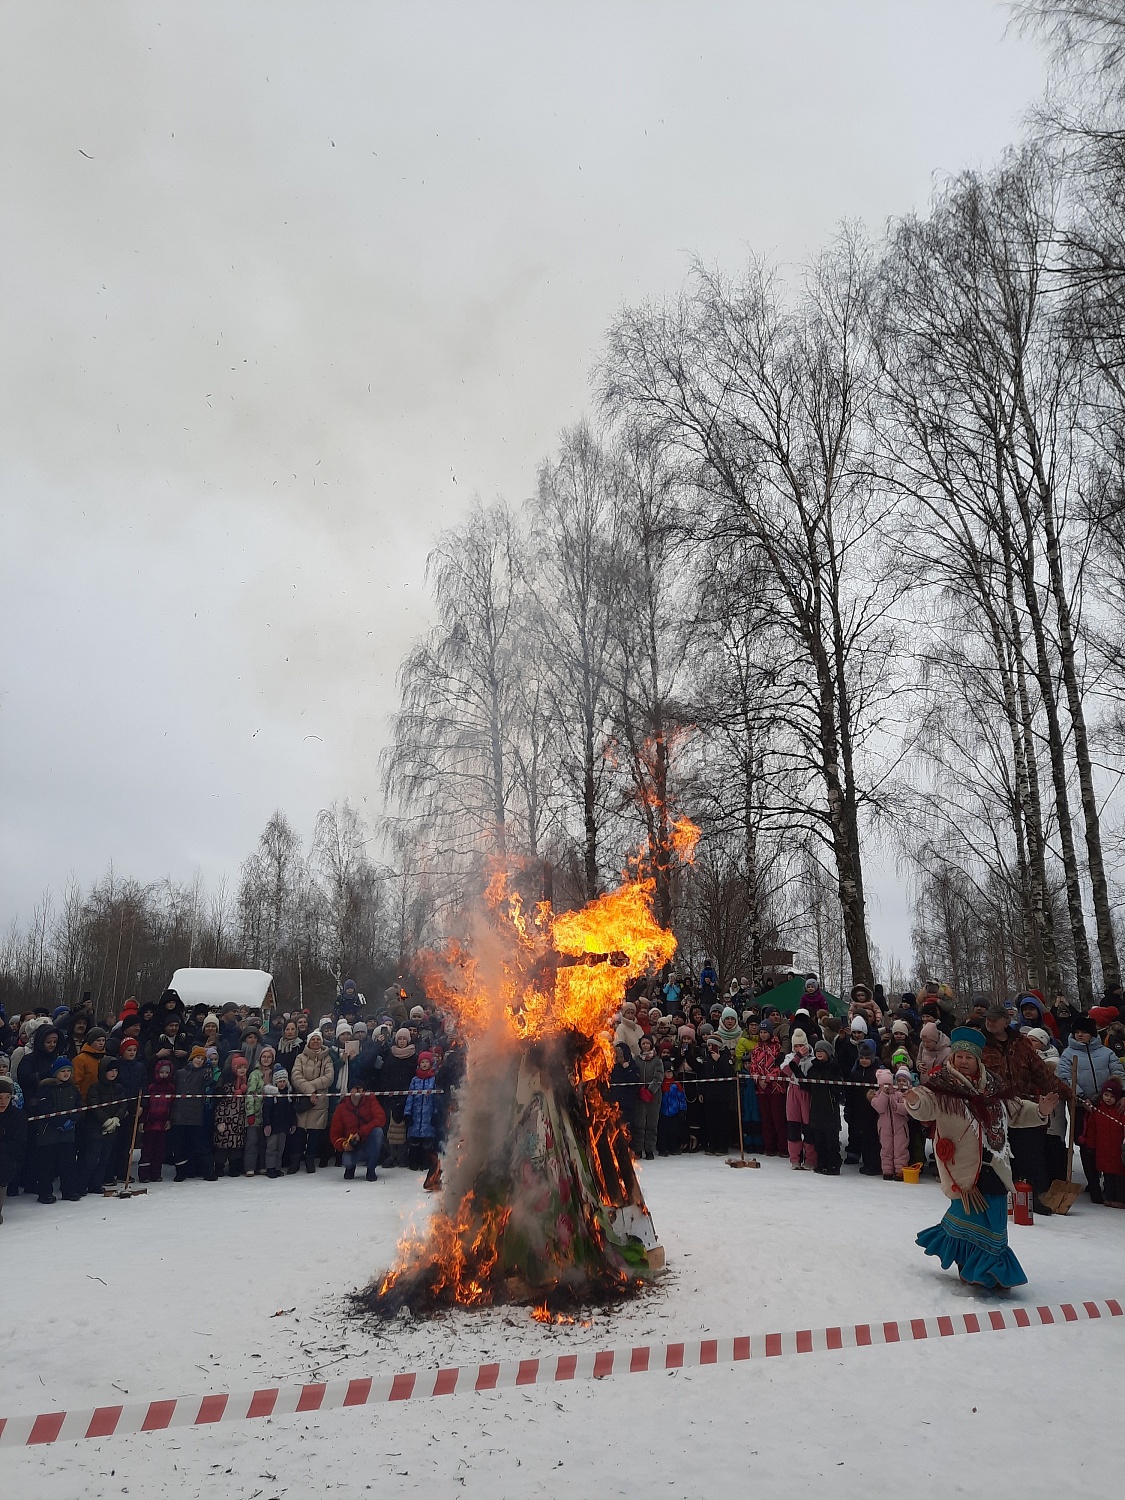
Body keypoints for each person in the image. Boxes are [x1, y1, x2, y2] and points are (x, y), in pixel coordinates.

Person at [905, 1027, 1057, 1290]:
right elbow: (924, 1105)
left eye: (969, 1058)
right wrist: (913, 1101)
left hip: (995, 1165)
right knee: (967, 1219)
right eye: (959, 1056)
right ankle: (972, 1270)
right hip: (963, 1170)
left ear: (978, 1061)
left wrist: (1040, 1111)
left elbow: (1016, 1111)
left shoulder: (994, 1088)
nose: (963, 1062)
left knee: (995, 1222)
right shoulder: (941, 1087)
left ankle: (990, 1270)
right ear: (952, 1058)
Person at [981, 1002, 1070, 1216]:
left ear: (1006, 1021)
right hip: (994, 1108)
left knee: (1031, 1153)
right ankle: (998, 1195)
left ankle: (1034, 1196)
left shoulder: (1022, 1043)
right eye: (988, 1018)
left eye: (995, 1018)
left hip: (1024, 1106)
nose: (990, 1022)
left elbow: (1041, 1073)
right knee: (997, 1154)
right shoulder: (980, 1043)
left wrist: (1066, 1093)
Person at [1059, 1015, 1125, 1204]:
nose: (1080, 1035)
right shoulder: (1068, 1054)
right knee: (1087, 1144)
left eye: (1084, 1032)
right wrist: (1080, 1096)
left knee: (1109, 1144)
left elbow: (1118, 1072)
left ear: (1092, 1034)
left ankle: (1110, 1183)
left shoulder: (1106, 1053)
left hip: (1107, 1104)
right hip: (1082, 1106)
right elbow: (1066, 1077)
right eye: (1077, 1032)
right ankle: (1093, 1184)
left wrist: (1121, 1094)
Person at [32, 1056, 82, 1203]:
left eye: (68, 1071)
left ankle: (69, 1190)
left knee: (68, 1164)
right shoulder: (45, 1088)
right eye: (63, 1071)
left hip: (68, 1135)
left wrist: (73, 1119)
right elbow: (45, 1108)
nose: (66, 1074)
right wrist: (60, 1121)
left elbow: (79, 1106)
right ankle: (45, 1193)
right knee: (46, 1165)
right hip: (48, 1134)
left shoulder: (73, 1088)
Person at [76, 1055, 127, 1195]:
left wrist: (116, 1118)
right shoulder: (95, 1087)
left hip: (112, 1129)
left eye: (116, 1071)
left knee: (104, 1159)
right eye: (110, 1071)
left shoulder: (118, 1088)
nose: (113, 1074)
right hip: (95, 1129)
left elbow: (123, 1104)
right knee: (91, 1159)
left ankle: (96, 1184)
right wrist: (105, 1120)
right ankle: (82, 1185)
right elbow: (94, 1105)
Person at [1077, 1078, 1125, 1208]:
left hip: (1117, 1150)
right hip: (1102, 1150)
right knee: (1108, 1175)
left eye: (1112, 1096)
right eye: (1106, 1095)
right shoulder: (1097, 1110)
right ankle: (1109, 1197)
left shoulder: (1120, 1111)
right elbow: (1092, 1131)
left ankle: (1120, 1199)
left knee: (1119, 1176)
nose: (1108, 1098)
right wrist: (1090, 1146)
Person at [290, 1029, 334, 1172]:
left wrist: (312, 1088)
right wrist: (309, 1091)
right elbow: (296, 1077)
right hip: (303, 1101)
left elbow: (329, 1077)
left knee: (314, 1134)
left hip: (319, 1102)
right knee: (299, 1134)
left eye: (318, 1039)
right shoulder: (300, 1058)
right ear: (308, 1042)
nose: (315, 1042)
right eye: (313, 1039)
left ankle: (310, 1160)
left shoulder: (327, 1058)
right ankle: (295, 1161)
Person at [171, 1046, 216, 1182]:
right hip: (179, 1114)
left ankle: (209, 1172)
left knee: (200, 1145)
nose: (199, 1060)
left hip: (195, 1115)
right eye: (197, 1057)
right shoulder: (180, 1073)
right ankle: (181, 1172)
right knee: (179, 1147)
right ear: (192, 1058)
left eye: (202, 1059)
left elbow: (209, 1081)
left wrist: (209, 1069)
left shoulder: (203, 1073)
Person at [329, 1082, 387, 1181]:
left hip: (369, 1141)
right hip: (352, 1146)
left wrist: (361, 1133)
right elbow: (334, 1134)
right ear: (350, 1091)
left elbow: (380, 1118)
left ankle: (371, 1169)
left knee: (378, 1132)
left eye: (361, 1088)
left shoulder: (370, 1100)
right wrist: (344, 1144)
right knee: (347, 1161)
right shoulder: (341, 1108)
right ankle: (350, 1168)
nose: (359, 1091)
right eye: (356, 1088)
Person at [780, 1029, 817, 1170]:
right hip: (793, 1092)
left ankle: (811, 1159)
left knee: (808, 1126)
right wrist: (797, 1057)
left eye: (801, 1045)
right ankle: (795, 1158)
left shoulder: (812, 1060)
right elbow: (786, 1070)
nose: (799, 1049)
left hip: (807, 1093)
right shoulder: (789, 1058)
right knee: (793, 1125)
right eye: (796, 1046)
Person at [807, 1039, 842, 1174]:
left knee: (831, 1140)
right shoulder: (813, 1067)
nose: (819, 1053)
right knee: (819, 1140)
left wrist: (835, 1095)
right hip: (816, 1108)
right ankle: (821, 1163)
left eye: (822, 1051)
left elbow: (839, 1086)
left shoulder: (833, 1067)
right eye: (817, 1051)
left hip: (830, 1109)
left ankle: (833, 1164)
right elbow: (807, 1085)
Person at [137, 1058, 176, 1183]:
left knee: (159, 1150)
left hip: (163, 1122)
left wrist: (170, 1120)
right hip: (150, 1122)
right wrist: (142, 1121)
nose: (164, 1075)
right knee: (147, 1149)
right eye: (162, 1072)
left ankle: (156, 1174)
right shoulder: (151, 1087)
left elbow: (172, 1106)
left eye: (166, 1072)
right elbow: (146, 1104)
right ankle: (144, 1174)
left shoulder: (171, 1088)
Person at [752, 1021, 787, 1158]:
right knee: (766, 1119)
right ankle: (769, 1147)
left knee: (778, 1118)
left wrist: (768, 1079)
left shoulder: (777, 1048)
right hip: (761, 1088)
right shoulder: (756, 1049)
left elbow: (780, 1067)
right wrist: (758, 1079)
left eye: (765, 1032)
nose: (763, 1034)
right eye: (761, 1032)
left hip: (776, 1088)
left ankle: (783, 1147)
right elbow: (753, 1066)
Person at [848, 1041, 882, 1175]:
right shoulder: (855, 1072)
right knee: (863, 1137)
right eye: (862, 1058)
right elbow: (851, 1092)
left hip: (872, 1110)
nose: (864, 1061)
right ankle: (867, 1162)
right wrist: (849, 1108)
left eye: (867, 1058)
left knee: (872, 1138)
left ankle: (874, 1164)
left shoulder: (877, 1072)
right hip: (858, 1109)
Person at [212, 1054, 250, 1177]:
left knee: (236, 1147)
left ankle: (234, 1168)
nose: (242, 1070)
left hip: (238, 1121)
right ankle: (219, 1167)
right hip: (226, 1120)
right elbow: (221, 1104)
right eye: (239, 1067)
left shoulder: (246, 1084)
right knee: (222, 1147)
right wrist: (220, 1121)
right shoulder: (227, 1085)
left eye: (244, 1067)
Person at [870, 1067, 909, 1180]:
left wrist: (896, 1104)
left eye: (889, 1083)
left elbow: (905, 1109)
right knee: (886, 1149)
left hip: (900, 1127)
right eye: (884, 1084)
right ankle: (887, 1170)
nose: (887, 1086)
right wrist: (884, 1095)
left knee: (900, 1149)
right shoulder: (876, 1096)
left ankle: (900, 1170)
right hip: (884, 1128)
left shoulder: (899, 1095)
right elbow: (880, 1108)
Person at [0, 1077, 28, 1222]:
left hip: (8, 1159)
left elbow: (19, 1144)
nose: (3, 1101)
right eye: (0, 1097)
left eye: (7, 1097)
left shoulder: (18, 1116)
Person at [261, 1067, 296, 1176]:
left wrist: (293, 1123)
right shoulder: (272, 1095)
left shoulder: (288, 1094)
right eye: (279, 1081)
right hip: (273, 1126)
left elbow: (291, 1111)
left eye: (283, 1081)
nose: (282, 1084)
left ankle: (277, 1167)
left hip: (284, 1126)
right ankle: (270, 1168)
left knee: (281, 1148)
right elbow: (266, 1110)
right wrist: (267, 1124)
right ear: (275, 1082)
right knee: (272, 1148)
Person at [634, 1034, 663, 1161]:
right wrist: (640, 1090)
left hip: (654, 1096)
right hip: (639, 1095)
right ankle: (638, 1149)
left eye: (647, 1043)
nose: (645, 1045)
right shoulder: (636, 1060)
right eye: (643, 1043)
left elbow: (659, 1077)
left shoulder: (657, 1060)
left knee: (652, 1124)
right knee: (639, 1123)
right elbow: (634, 1075)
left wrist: (650, 1091)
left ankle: (649, 1149)